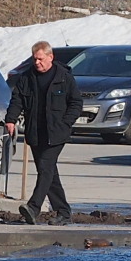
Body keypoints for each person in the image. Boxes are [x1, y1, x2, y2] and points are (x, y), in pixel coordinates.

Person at [6, 40, 83, 226]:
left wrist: (66, 123)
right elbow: (17, 100)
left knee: (46, 168)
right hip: (35, 132)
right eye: (34, 59)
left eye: (40, 59)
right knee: (48, 173)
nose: (37, 63)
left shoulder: (64, 77)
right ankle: (64, 212)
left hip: (56, 133)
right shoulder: (27, 77)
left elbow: (76, 103)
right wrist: (11, 119)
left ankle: (33, 207)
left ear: (50, 57)